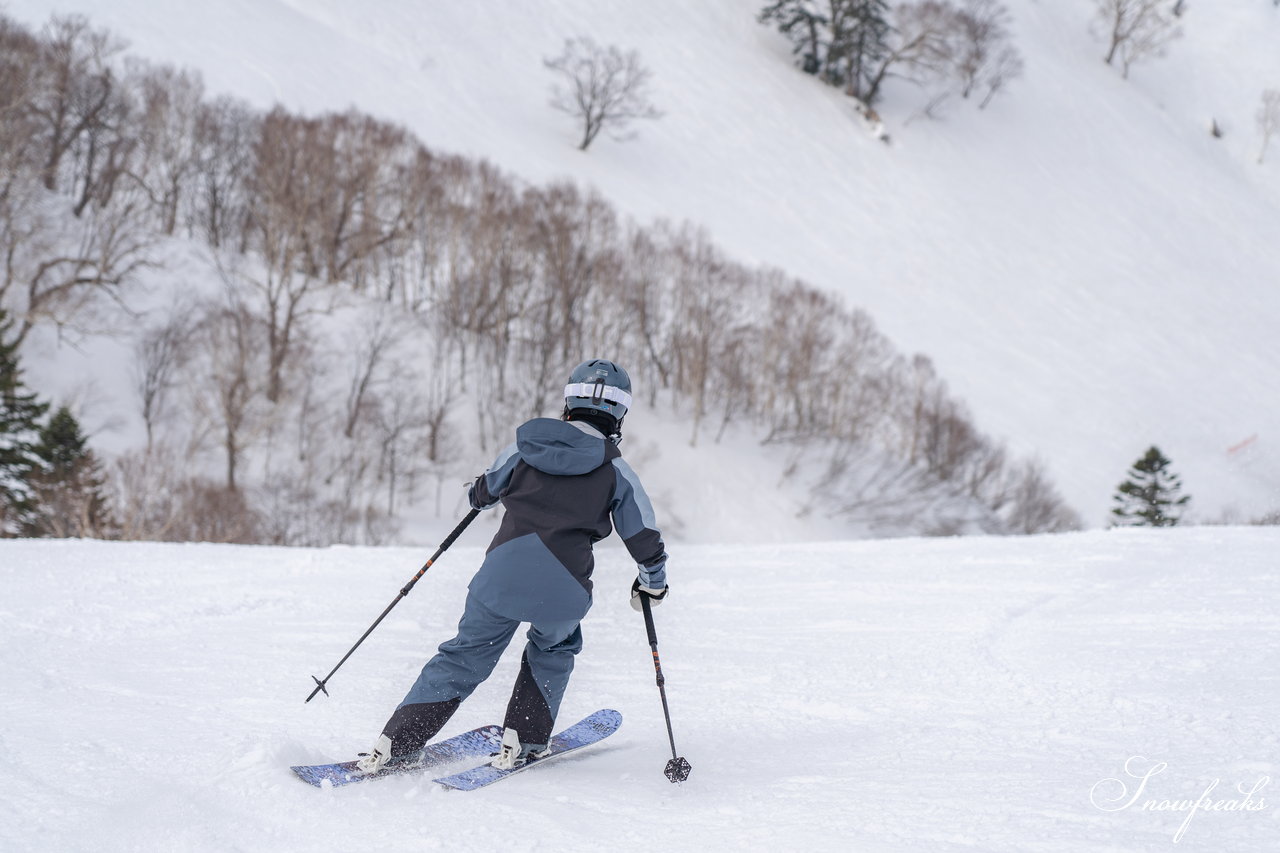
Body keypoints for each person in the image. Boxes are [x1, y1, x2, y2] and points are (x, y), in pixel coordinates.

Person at [357, 359, 670, 772]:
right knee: (554, 648)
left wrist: (482, 490)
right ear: (619, 412)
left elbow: (481, 494)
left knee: (462, 658)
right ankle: (523, 741)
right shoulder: (616, 470)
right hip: (564, 590)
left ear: (569, 401)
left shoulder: (524, 448)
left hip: (499, 579)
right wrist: (653, 583)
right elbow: (644, 538)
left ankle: (396, 742)